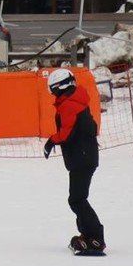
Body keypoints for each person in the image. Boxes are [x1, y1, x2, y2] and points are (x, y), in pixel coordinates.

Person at [42, 67, 104, 255]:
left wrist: (51, 141)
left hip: (82, 158)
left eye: (53, 90)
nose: (52, 94)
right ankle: (88, 234)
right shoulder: (74, 101)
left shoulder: (70, 105)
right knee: (77, 199)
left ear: (60, 88)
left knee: (77, 199)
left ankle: (96, 238)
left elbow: (66, 133)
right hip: (84, 156)